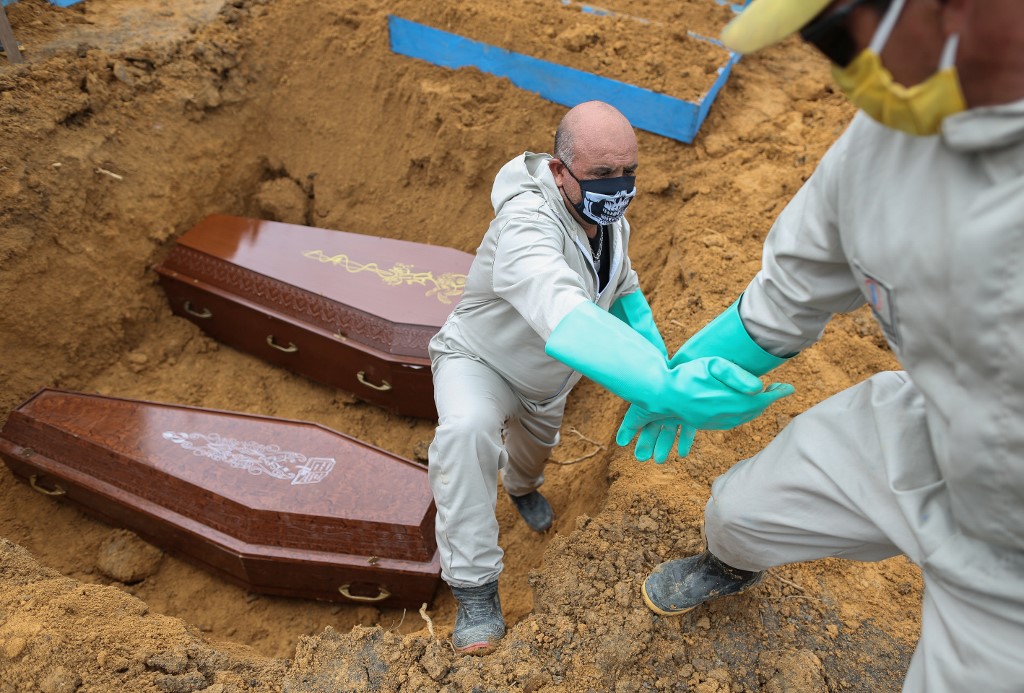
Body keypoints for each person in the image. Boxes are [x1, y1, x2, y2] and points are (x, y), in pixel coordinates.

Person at [616, 0, 1024, 689]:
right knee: (738, 511)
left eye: (833, 37)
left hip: (1010, 569)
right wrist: (679, 380)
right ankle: (730, 562)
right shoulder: (881, 147)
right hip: (930, 426)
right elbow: (787, 295)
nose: (845, 75)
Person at [427, 100, 793, 655]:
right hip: (481, 362)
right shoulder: (525, 224)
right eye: (602, 174)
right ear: (559, 171)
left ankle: (521, 488)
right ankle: (474, 590)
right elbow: (559, 304)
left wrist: (660, 366)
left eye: (629, 172)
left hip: (550, 381)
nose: (618, 186)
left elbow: (623, 291)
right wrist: (656, 385)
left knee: (531, 457)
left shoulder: (608, 220)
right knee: (467, 431)